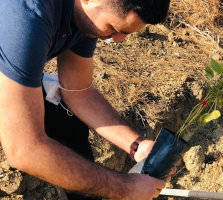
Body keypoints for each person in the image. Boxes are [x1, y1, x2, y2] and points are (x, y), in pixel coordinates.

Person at [0, 0, 174, 199]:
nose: (118, 40)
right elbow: (24, 148)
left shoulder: (86, 16)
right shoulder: (29, 14)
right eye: (115, 29)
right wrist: (123, 187)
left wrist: (137, 146)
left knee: (67, 125)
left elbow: (79, 92)